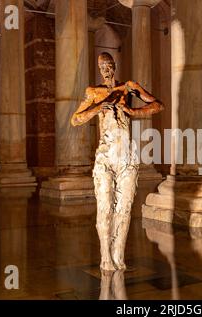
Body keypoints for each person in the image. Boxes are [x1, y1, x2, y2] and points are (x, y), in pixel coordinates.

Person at [71, 52, 164, 271]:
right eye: (101, 66)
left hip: (126, 155)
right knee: (104, 207)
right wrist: (97, 107)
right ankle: (105, 256)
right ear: (98, 69)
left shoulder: (128, 87)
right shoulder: (93, 92)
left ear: (114, 66)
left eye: (108, 65)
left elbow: (158, 105)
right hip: (105, 155)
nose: (105, 69)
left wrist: (132, 110)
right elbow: (76, 119)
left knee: (124, 207)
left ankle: (118, 254)